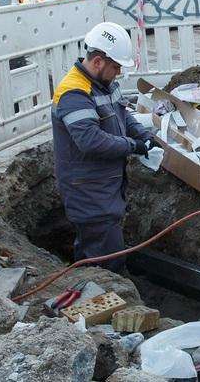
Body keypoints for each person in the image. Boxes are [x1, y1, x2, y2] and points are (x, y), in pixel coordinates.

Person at [51, 22, 154, 272]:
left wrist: (143, 134)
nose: (118, 72)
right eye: (116, 67)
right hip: (88, 191)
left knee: (98, 248)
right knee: (106, 260)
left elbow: (123, 116)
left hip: (104, 187)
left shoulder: (105, 84)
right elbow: (91, 140)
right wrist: (133, 145)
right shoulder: (74, 93)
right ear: (98, 61)